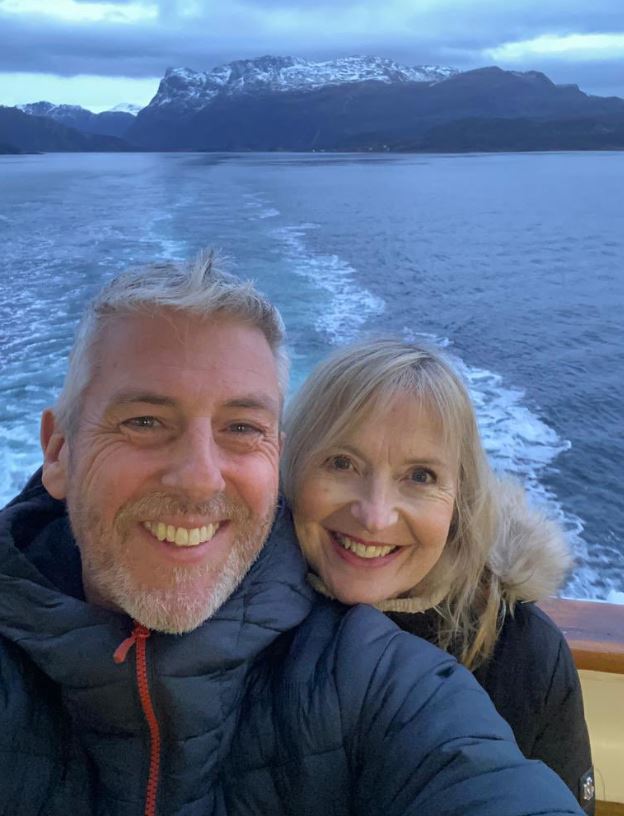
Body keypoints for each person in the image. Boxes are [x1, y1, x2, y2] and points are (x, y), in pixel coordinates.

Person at [0, 255, 585, 816]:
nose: (201, 479)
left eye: (240, 427)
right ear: (57, 451)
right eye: (144, 421)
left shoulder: (371, 671)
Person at [282, 338, 595, 815]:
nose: (374, 516)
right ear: (290, 471)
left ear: (460, 500)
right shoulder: (235, 620)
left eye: (420, 476)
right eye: (342, 463)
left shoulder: (523, 653)